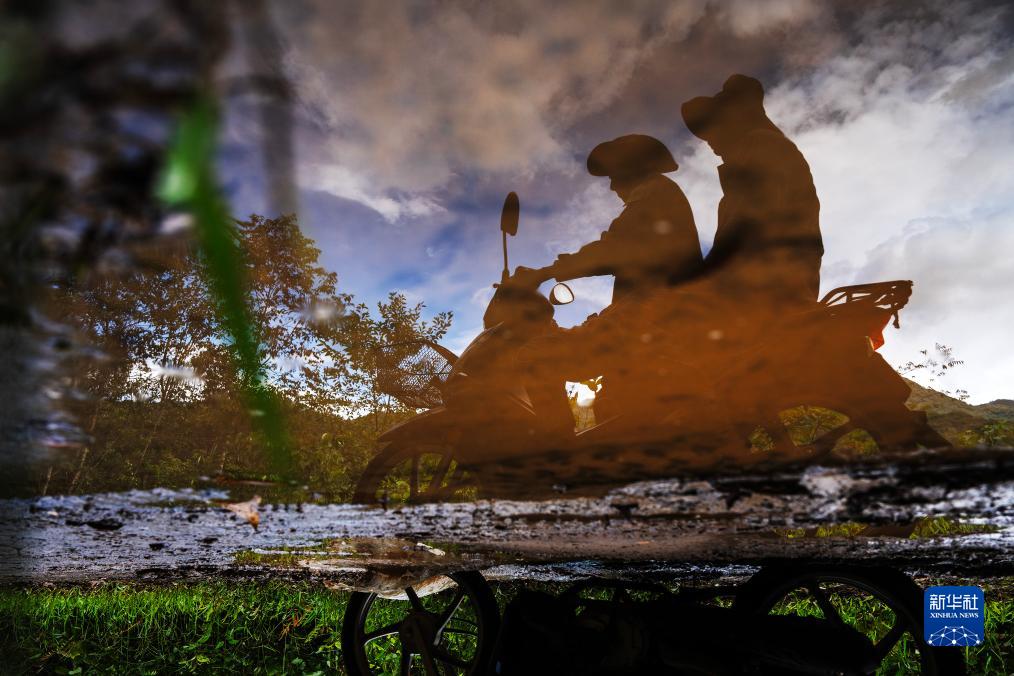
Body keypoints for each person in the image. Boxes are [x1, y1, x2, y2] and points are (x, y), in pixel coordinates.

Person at [512, 134, 704, 433]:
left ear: (632, 169)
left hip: (652, 317)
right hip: (658, 315)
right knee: (609, 396)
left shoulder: (654, 193)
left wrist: (545, 272)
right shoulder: (661, 195)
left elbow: (613, 249)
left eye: (614, 176)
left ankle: (557, 451)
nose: (613, 187)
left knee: (536, 356)